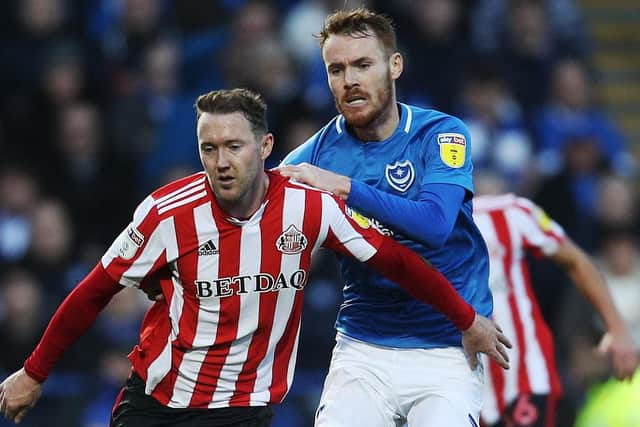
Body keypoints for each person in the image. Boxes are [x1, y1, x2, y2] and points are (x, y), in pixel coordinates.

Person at [0, 88, 510, 427]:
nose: (221, 162)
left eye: (234, 146)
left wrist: (467, 319)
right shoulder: (165, 214)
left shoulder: (309, 206)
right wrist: (34, 372)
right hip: (157, 403)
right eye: (209, 148)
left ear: (265, 146)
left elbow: (396, 262)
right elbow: (94, 292)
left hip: (245, 409)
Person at [277, 7, 498, 427]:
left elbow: (434, 225)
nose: (350, 80)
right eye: (336, 70)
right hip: (363, 348)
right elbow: (257, 213)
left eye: (363, 65)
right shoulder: (312, 157)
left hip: (447, 347)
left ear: (394, 65)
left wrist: (344, 186)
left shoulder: (440, 134)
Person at [472, 192, 638, 427]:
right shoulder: (411, 230)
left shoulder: (509, 211)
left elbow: (576, 260)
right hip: (456, 382)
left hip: (523, 378)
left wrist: (617, 329)